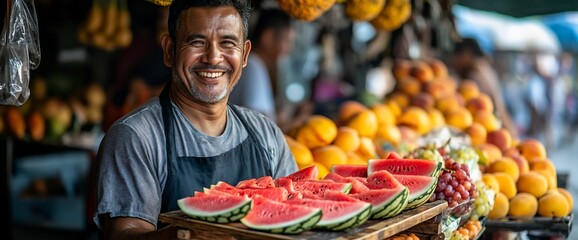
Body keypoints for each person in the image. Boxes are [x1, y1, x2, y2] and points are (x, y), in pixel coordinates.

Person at [92, 1, 299, 239]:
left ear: (245, 54)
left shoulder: (265, 133)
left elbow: (293, 215)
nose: (213, 57)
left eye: (227, 43)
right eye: (197, 42)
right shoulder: (136, 136)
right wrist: (193, 233)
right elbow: (124, 233)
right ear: (169, 51)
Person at [228, 8, 296, 124]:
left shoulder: (253, 64)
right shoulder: (253, 65)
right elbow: (259, 126)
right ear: (267, 38)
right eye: (287, 41)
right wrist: (300, 119)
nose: (289, 49)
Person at [452, 38, 518, 137]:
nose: (455, 62)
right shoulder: (484, 68)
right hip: (503, 127)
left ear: (466, 54)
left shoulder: (475, 75)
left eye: (457, 57)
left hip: (496, 129)